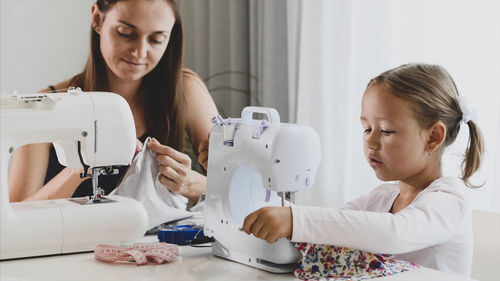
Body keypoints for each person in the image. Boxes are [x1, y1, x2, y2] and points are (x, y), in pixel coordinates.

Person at [242, 63, 484, 276]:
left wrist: (296, 219)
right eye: (366, 129)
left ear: (433, 137)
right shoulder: (381, 198)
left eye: (386, 131)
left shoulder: (449, 201)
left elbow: (394, 233)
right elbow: (333, 224)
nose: (370, 142)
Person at [8, 0, 218, 204]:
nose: (139, 52)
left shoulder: (186, 91)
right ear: (98, 19)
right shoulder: (47, 105)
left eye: (156, 39)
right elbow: (15, 216)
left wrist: (190, 183)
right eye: (126, 33)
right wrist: (79, 167)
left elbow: (234, 188)